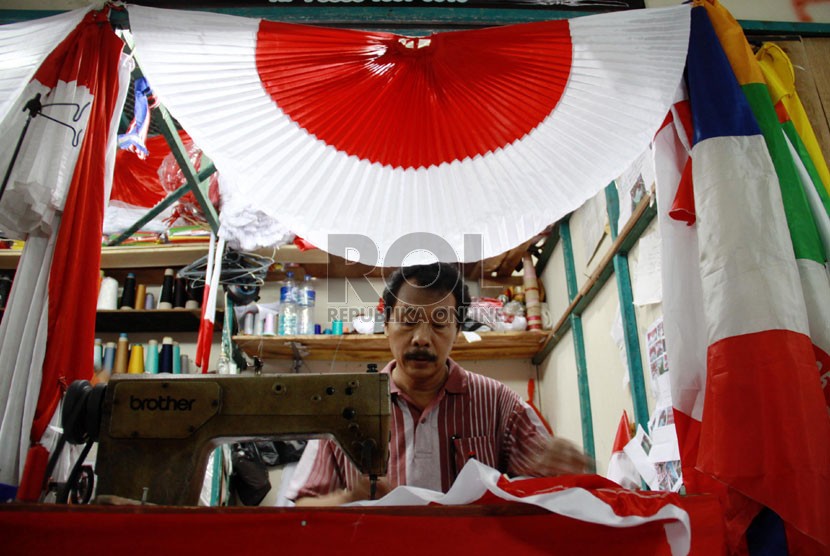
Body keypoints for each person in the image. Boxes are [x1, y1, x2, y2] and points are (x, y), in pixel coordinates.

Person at [286, 262, 590, 506]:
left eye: (439, 323)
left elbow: (542, 484)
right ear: (386, 324)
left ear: (457, 331)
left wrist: (559, 468)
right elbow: (304, 503)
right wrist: (350, 498)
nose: (421, 338)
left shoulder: (499, 403)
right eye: (407, 321)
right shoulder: (343, 406)